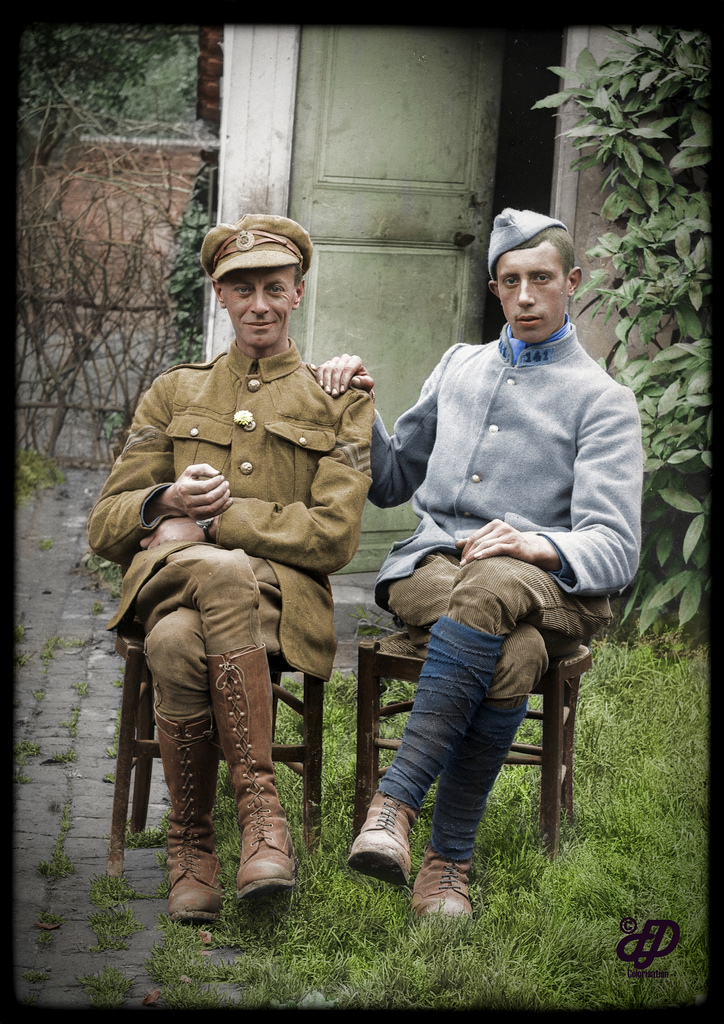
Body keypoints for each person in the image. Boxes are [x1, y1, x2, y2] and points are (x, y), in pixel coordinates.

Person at [316, 208, 643, 918]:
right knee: (511, 652)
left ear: (573, 283)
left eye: (542, 280)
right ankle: (447, 863)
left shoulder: (604, 402)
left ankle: (394, 806)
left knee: (497, 583)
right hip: (437, 567)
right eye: (511, 281)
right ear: (496, 288)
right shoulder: (459, 366)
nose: (526, 296)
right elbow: (394, 481)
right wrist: (360, 406)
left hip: (553, 582)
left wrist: (534, 543)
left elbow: (616, 546)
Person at [88, 215, 373, 923]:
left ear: (297, 293)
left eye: (274, 288)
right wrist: (164, 500)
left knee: (176, 639)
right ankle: (260, 820)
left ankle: (191, 849)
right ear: (220, 296)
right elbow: (104, 524)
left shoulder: (338, 397)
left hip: (278, 599)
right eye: (242, 290)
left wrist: (216, 522)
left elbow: (334, 537)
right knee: (215, 578)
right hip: (177, 575)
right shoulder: (173, 392)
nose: (259, 305)